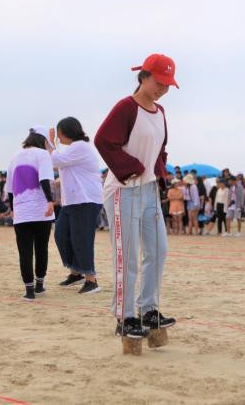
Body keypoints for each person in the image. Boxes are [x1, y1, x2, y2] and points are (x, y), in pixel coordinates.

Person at [94, 53, 178, 339]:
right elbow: (103, 141)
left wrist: (159, 173)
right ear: (143, 77)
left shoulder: (161, 112)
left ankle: (149, 309)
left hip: (149, 190)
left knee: (157, 250)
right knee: (127, 256)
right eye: (159, 82)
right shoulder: (126, 107)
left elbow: (161, 149)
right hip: (123, 190)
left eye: (168, 84)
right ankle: (125, 316)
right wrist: (132, 168)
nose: (163, 88)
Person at [48, 116, 104, 295]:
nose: (58, 137)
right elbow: (63, 166)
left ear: (65, 132)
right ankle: (76, 272)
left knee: (82, 239)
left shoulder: (80, 146)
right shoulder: (73, 149)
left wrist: (50, 143)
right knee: (61, 234)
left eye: (58, 133)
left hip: (85, 200)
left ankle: (91, 280)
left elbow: (55, 160)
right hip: (72, 201)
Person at [5, 129, 56, 301]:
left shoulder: (14, 156)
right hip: (41, 210)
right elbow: (44, 179)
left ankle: (29, 291)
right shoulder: (42, 154)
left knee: (25, 251)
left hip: (21, 211)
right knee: (42, 248)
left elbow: (10, 188)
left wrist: (13, 209)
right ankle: (39, 285)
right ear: (42, 140)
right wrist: (50, 201)